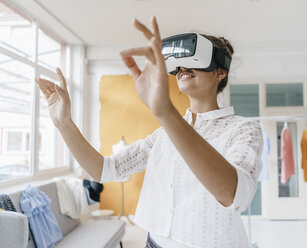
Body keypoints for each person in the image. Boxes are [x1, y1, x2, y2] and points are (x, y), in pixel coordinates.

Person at [36, 16, 263, 248]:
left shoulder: (244, 129)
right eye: (180, 65)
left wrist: (165, 112)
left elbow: (233, 194)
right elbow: (103, 170)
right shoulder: (163, 134)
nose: (183, 68)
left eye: (193, 61)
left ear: (220, 72)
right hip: (153, 242)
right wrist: (64, 123)